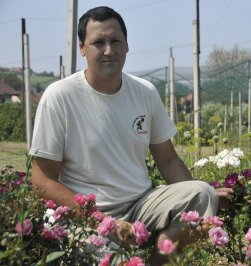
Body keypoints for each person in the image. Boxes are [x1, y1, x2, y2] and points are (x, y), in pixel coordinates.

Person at [29, 6, 233, 265]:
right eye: (98, 42)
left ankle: (157, 259)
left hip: (141, 205)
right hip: (87, 214)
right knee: (113, 260)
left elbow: (168, 160)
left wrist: (207, 201)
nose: (108, 50)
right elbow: (42, 179)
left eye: (115, 41)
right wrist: (102, 222)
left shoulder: (144, 92)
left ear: (127, 45)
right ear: (82, 48)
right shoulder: (60, 96)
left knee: (202, 193)